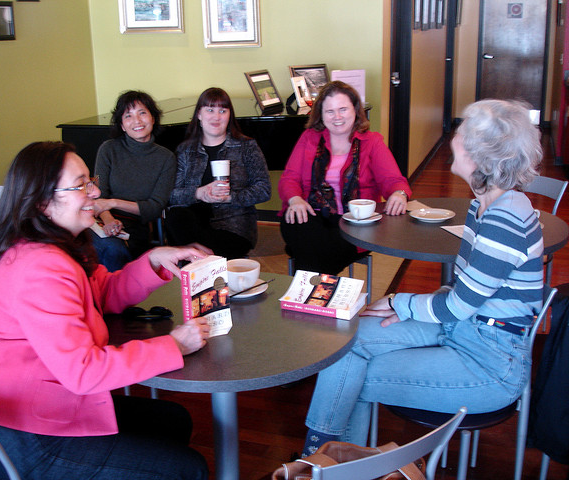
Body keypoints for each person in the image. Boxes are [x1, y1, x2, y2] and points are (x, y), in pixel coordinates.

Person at [301, 99, 544, 457]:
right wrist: (414, 309)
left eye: (461, 135)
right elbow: (464, 292)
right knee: (348, 340)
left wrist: (401, 302)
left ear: (480, 155)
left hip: (490, 361)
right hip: (463, 328)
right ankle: (323, 457)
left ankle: (322, 462)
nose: (454, 138)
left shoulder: (504, 219)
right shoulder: (484, 204)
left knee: (357, 377)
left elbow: (460, 304)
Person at [0, 141, 210, 479]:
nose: (95, 191)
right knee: (188, 469)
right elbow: (84, 373)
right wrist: (175, 345)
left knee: (173, 420)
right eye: (81, 184)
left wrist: (153, 260)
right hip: (27, 436)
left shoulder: (54, 248)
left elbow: (101, 293)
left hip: (41, 407)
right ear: (42, 202)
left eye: (90, 179)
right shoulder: (40, 268)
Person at [279, 80, 411, 275]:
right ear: (321, 115)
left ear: (355, 110)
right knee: (306, 234)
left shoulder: (372, 142)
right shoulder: (309, 138)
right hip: (310, 215)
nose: (337, 117)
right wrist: (295, 199)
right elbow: (289, 178)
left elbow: (393, 180)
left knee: (312, 253)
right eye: (330, 111)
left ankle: (308, 298)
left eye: (343, 109)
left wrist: (399, 194)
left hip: (353, 222)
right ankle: (319, 297)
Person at [165, 87, 271, 259]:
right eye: (210, 110)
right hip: (195, 223)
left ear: (229, 115)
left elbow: (264, 189)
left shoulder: (247, 147)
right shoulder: (185, 150)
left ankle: (197, 252)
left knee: (194, 245)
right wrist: (199, 193)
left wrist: (230, 197)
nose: (216, 116)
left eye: (222, 110)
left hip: (234, 225)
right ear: (199, 114)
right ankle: (200, 250)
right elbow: (171, 195)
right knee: (176, 217)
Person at [92, 90, 177, 271]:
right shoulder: (108, 149)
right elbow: (99, 195)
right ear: (122, 125)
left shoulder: (166, 158)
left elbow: (155, 207)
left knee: (114, 250)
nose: (137, 121)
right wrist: (108, 220)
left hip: (135, 225)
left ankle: (118, 295)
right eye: (128, 116)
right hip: (101, 220)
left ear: (153, 118)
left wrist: (113, 203)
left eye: (142, 113)